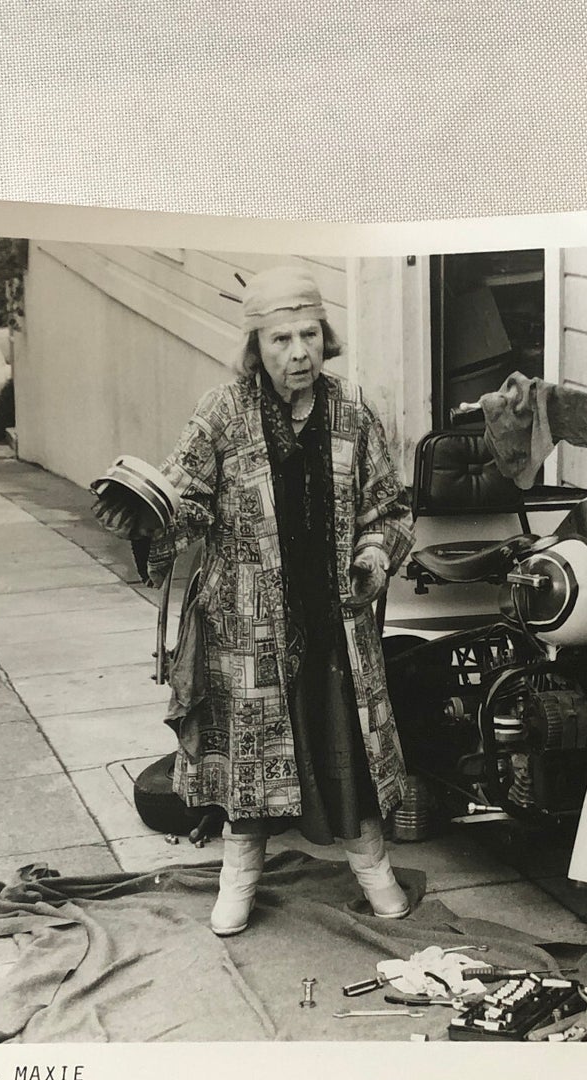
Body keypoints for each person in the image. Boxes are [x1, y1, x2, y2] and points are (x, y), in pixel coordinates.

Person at [98, 264, 416, 937]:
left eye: (308, 334)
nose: (297, 352)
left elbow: (388, 507)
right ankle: (238, 879)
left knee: (346, 752)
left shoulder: (354, 415)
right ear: (256, 347)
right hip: (246, 629)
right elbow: (183, 502)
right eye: (280, 339)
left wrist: (375, 553)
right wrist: (148, 517)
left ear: (324, 338)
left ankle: (375, 874)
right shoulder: (222, 413)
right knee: (249, 760)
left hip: (333, 619)